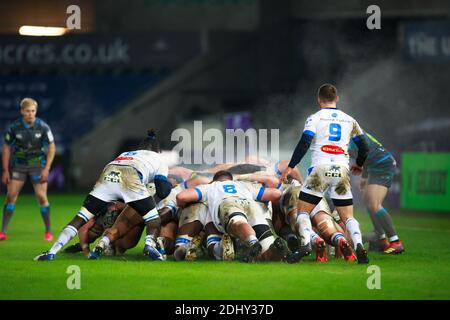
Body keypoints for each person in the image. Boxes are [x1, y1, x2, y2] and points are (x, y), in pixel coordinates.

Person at [34, 129, 172, 261]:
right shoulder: (159, 159)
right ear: (158, 151)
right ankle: (149, 246)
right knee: (153, 219)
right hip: (131, 177)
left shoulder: (127, 153)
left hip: (108, 174)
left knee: (80, 218)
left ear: (139, 148)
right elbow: (163, 191)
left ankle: (51, 252)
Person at [280, 83, 370, 264]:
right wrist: (359, 164)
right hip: (341, 170)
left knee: (303, 213)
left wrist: (291, 166)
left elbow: (304, 142)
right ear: (336, 98)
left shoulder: (315, 118)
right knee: (348, 217)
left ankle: (306, 244)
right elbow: (365, 147)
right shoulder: (349, 120)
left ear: (319, 99)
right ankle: (359, 245)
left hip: (320, 170)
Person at [176, 170, 285, 262]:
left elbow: (181, 196)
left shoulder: (210, 187)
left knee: (238, 222)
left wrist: (181, 205)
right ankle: (276, 249)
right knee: (267, 248)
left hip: (228, 203)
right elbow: (276, 194)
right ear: (231, 180)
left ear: (214, 180)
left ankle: (252, 242)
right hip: (250, 204)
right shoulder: (243, 185)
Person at [1, 98, 56, 241]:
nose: (30, 114)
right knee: (11, 195)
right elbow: (6, 147)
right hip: (19, 165)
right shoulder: (14, 128)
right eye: (27, 111)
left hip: (38, 166)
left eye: (33, 111)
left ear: (36, 111)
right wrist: (5, 170)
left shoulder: (43, 127)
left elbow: (51, 146)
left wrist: (47, 168)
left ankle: (48, 231)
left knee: (42, 197)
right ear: (22, 111)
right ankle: (3, 231)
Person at [349, 131, 405, 254]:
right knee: (368, 202)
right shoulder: (353, 133)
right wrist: (364, 177)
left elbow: (365, 153)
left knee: (374, 204)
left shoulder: (352, 136)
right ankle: (380, 240)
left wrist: (363, 174)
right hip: (375, 166)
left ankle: (395, 242)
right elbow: (364, 156)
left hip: (383, 164)